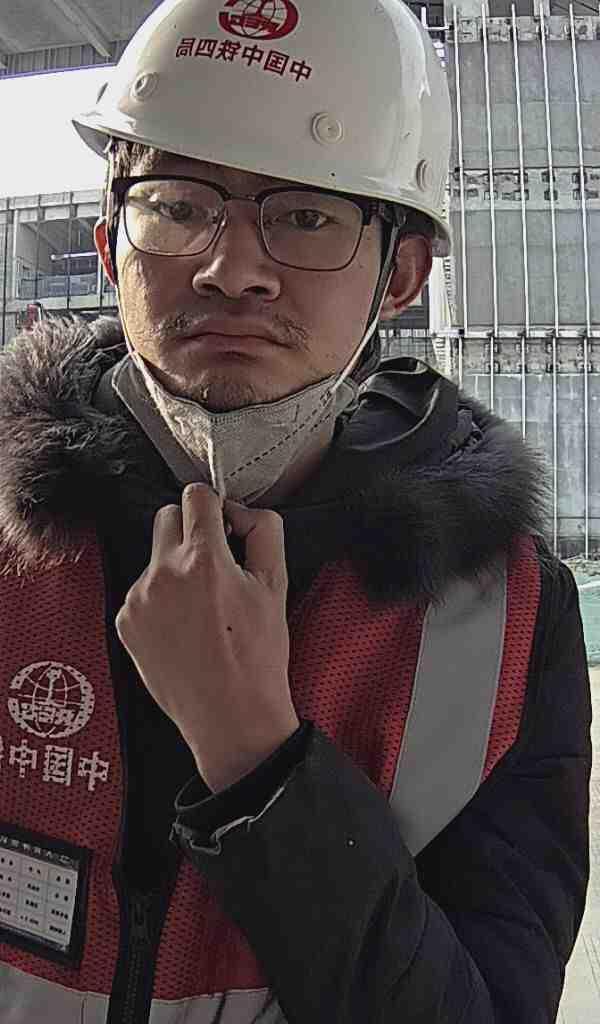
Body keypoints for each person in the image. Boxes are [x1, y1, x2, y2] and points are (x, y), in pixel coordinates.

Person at [0, 0, 591, 1020]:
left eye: (307, 216)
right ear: (108, 244)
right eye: (177, 206)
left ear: (401, 274)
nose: (231, 269)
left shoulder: (500, 619)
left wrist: (260, 765)